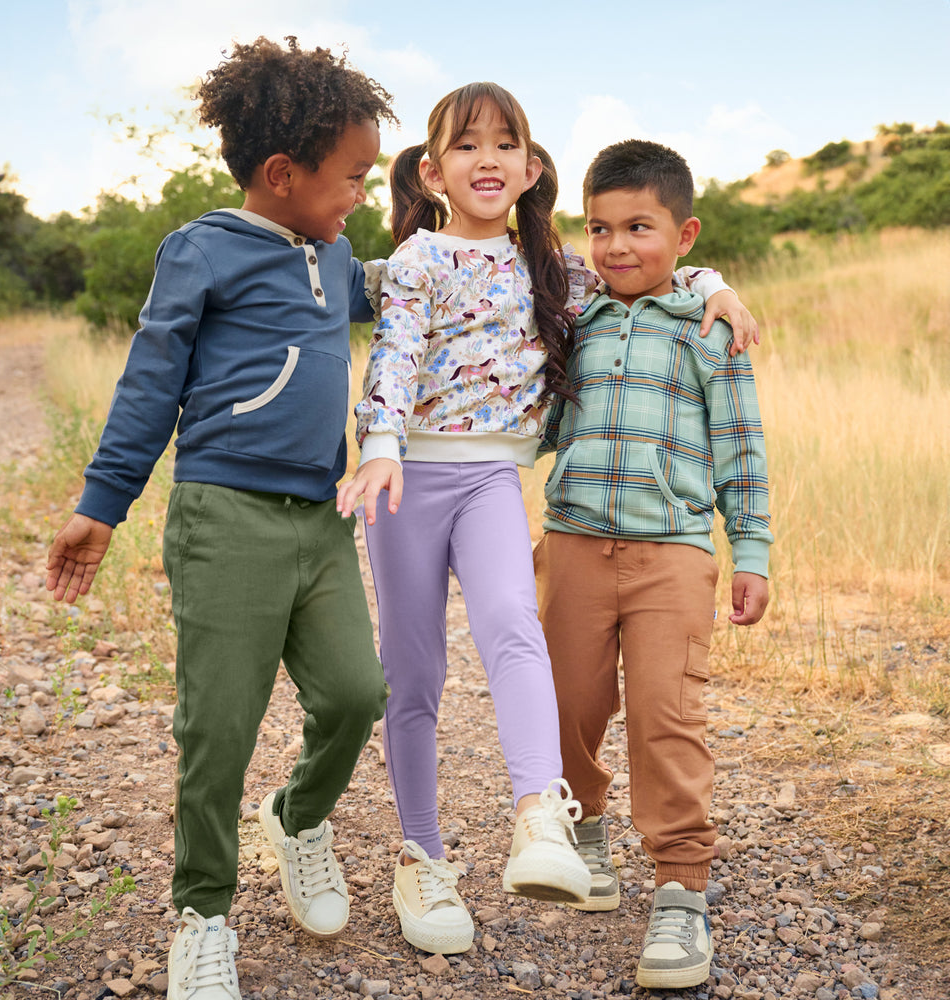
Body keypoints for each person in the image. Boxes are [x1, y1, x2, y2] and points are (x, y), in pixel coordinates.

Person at [336, 82, 754, 957]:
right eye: (465, 144)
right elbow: (398, 350)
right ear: (432, 169)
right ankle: (423, 855)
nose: (485, 159)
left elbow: (648, 271)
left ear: (531, 168)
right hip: (404, 477)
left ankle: (542, 818)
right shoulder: (414, 260)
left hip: (492, 475)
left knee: (514, 628)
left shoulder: (556, 270)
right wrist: (378, 442)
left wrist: (713, 282)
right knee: (411, 677)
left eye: (504, 144)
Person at [44, 37, 397, 1000]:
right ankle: (203, 913)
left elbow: (423, 283)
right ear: (283, 175)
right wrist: (100, 507)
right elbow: (150, 385)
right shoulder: (203, 249)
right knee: (220, 731)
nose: (359, 193)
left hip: (321, 521)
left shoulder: (335, 258)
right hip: (224, 517)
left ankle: (295, 816)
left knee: (358, 694)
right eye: (351, 176)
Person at [534, 138, 773, 990]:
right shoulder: (575, 320)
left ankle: (681, 887)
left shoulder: (713, 332)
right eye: (601, 229)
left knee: (669, 717)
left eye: (640, 227)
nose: (618, 246)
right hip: (571, 545)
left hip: (672, 554)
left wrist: (752, 549)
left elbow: (743, 450)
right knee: (569, 703)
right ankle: (583, 824)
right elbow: (543, 426)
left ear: (685, 232)